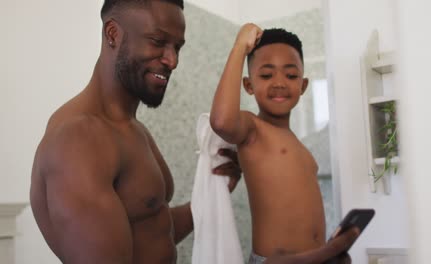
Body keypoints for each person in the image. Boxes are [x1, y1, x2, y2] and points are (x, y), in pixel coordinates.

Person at [29, 1, 357, 263]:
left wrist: (212, 195)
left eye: (177, 47)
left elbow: (153, 228)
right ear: (113, 34)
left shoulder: (133, 131)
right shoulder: (79, 139)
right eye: (158, 42)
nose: (171, 60)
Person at [210, 23, 357, 264]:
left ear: (303, 85)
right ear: (248, 85)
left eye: (290, 75)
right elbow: (222, 121)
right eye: (267, 75)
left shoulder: (299, 147)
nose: (279, 82)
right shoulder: (252, 128)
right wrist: (239, 47)